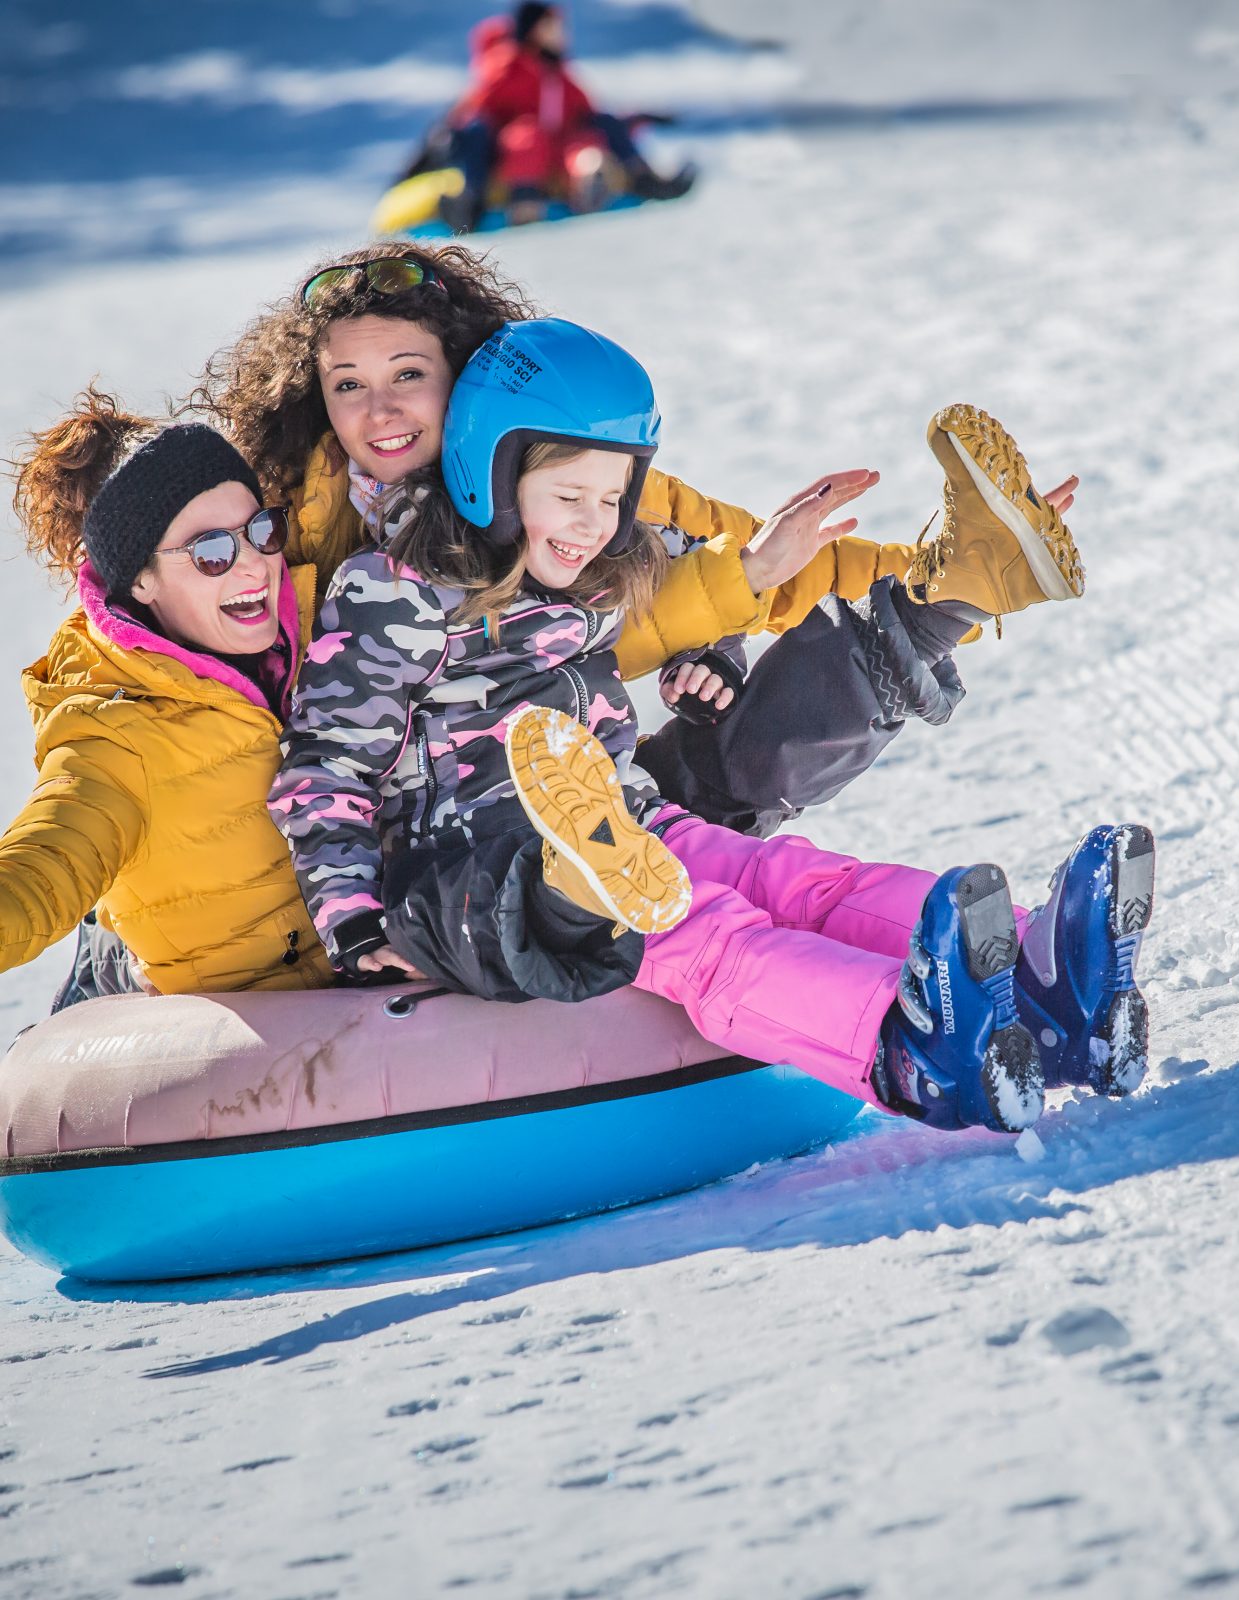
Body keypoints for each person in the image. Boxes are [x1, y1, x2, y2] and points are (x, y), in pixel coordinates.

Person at [271, 320, 1156, 1133]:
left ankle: (1048, 986)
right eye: (568, 495)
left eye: (613, 498)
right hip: (488, 872)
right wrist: (351, 921)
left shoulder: (599, 559)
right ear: (492, 475)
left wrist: (721, 658)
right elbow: (327, 769)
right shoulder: (389, 593)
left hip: (625, 821)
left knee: (794, 882)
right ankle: (905, 1043)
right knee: (703, 934)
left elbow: (712, 580)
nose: (593, 522)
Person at [191, 241, 1087, 840]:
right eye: (348, 384)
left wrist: (919, 572)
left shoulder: (570, 475)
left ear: (469, 376)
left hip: (556, 788)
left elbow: (761, 557)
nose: (379, 410)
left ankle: (957, 592)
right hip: (392, 840)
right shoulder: (285, 521)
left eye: (410, 375)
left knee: (719, 748)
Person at [1, 393, 334, 1006]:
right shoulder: (114, 732)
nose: (253, 567)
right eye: (211, 552)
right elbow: (44, 866)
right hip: (268, 1046)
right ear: (141, 582)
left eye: (262, 529)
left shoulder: (328, 623)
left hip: (388, 988)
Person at [419, 2, 694, 231]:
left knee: (587, 141)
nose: (563, 33)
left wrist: (635, 119)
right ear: (535, 30)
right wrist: (443, 137)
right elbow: (474, 109)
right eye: (553, 26)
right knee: (527, 135)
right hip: (512, 152)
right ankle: (486, 201)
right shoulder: (508, 68)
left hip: (558, 147)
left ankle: (612, 181)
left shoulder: (558, 74)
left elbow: (588, 111)